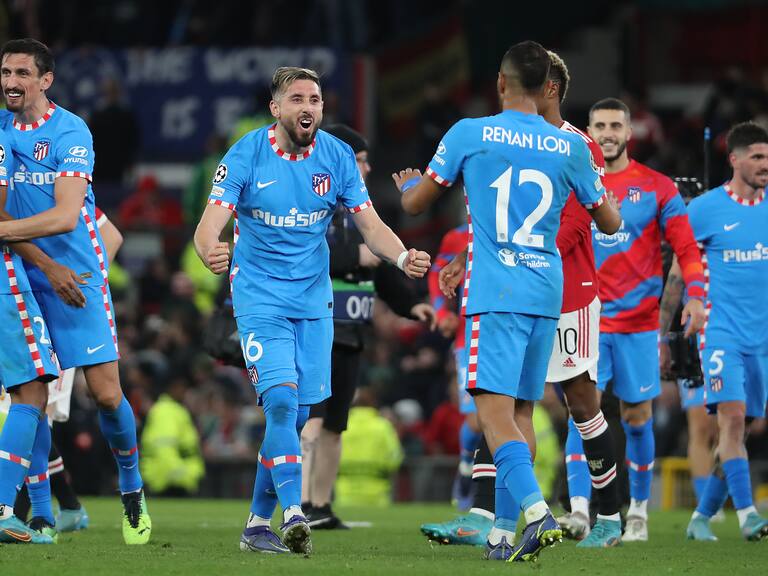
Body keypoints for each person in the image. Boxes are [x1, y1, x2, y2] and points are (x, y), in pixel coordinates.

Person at [393, 41, 621, 562]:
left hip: (495, 293)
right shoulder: (570, 147)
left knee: (491, 416)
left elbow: (413, 205)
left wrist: (409, 185)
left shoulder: (469, 134)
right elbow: (608, 221)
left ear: (500, 83)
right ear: (548, 88)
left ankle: (537, 516)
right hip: (547, 291)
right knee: (520, 411)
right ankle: (501, 530)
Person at [194, 66, 430, 556]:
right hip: (259, 298)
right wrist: (209, 251)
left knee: (299, 415)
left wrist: (404, 255)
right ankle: (294, 513)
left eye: (316, 100)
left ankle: (257, 524)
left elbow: (370, 226)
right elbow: (208, 226)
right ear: (276, 109)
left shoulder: (338, 156)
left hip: (313, 303)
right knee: (280, 402)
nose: (308, 107)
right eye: (297, 99)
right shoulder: (246, 154)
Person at [0, 38, 151, 545]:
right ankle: (41, 513)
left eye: (22, 73)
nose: (10, 82)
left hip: (76, 279)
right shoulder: (0, 132)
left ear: (46, 80)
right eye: (4, 72)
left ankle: (130, 486)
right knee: (31, 393)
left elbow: (67, 215)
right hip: (24, 273)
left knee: (106, 396)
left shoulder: (71, 132)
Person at [564, 97, 706, 543]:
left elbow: (686, 247)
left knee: (638, 417)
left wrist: (696, 296)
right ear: (589, 131)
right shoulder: (573, 182)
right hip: (585, 319)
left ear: (629, 133)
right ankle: (580, 511)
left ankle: (639, 512)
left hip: (639, 325)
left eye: (615, 126)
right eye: (599, 125)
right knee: (578, 413)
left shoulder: (657, 187)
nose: (607, 133)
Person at [300, 123, 436, 530]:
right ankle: (300, 503)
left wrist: (412, 306)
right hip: (316, 324)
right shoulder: (314, 199)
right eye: (359, 159)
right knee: (313, 418)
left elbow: (381, 270)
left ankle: (320, 506)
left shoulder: (364, 212)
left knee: (336, 422)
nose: (366, 166)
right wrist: (351, 257)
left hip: (352, 330)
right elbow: (299, 252)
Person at [8, 206, 123, 534]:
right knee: (31, 412)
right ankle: (65, 507)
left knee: (30, 409)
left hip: (56, 318)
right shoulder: (22, 187)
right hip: (30, 310)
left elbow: (112, 236)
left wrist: (81, 288)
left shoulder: (62, 195)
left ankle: (32, 510)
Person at [684, 122, 768, 542]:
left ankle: (700, 517)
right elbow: (679, 266)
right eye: (756, 157)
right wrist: (675, 321)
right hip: (721, 333)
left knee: (746, 426)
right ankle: (749, 515)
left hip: (763, 339)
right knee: (732, 421)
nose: (764, 165)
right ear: (734, 160)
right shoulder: (703, 209)